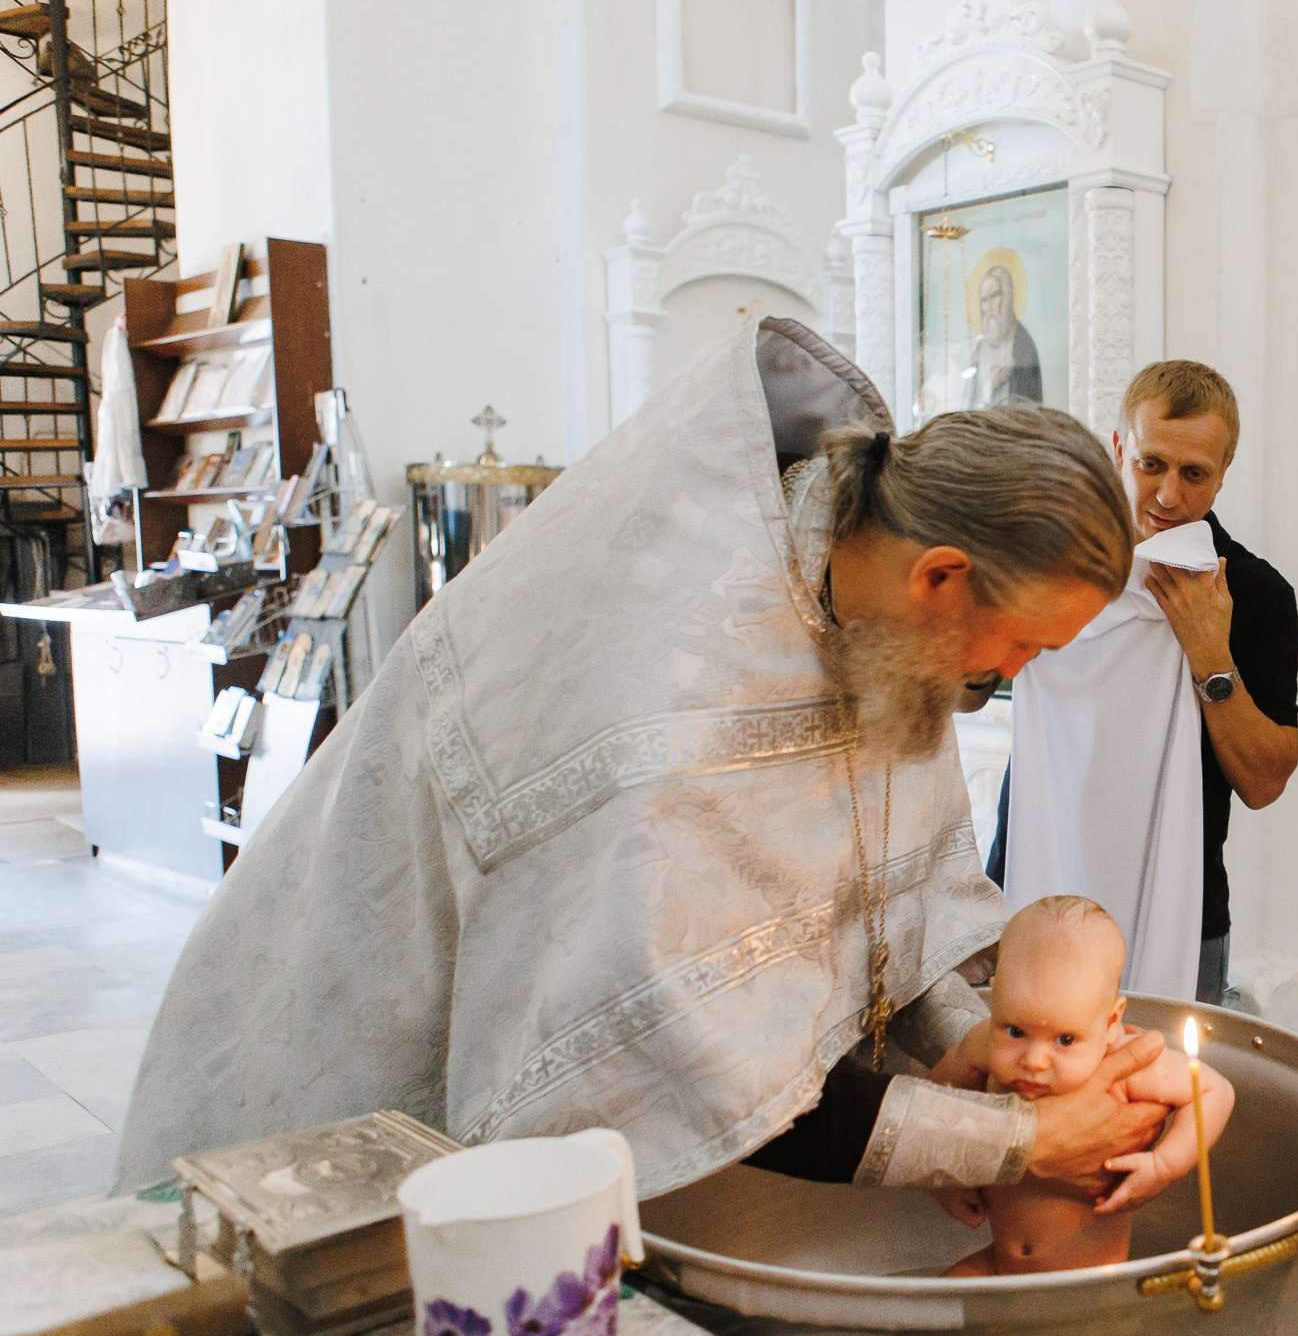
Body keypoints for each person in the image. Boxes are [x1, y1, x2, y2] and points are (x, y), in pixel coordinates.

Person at [117, 318, 1175, 1213]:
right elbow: (686, 1057)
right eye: (1023, 643)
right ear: (941, 576)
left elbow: (872, 901)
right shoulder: (679, 675)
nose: (1012, 673)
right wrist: (1020, 1143)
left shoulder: (883, 615)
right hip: (344, 1073)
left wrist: (982, 1044)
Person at [987, 361, 1298, 1006]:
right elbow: (968, 682)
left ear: (1225, 470)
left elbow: (1265, 783)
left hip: (1183, 913)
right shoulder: (1053, 561)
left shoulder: (1256, 594)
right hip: (1030, 880)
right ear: (1118, 448)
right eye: (1151, 465)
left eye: (1195, 474)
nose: (1167, 496)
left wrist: (1210, 654)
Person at [934, 895, 1235, 1276]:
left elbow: (1213, 1091)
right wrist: (942, 1177)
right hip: (998, 1263)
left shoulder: (1125, 1064)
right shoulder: (983, 1044)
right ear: (996, 999)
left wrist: (1164, 1165)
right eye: (1015, 1031)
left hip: (1089, 1277)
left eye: (1065, 1040)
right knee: (940, 1298)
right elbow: (937, 1089)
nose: (1034, 1060)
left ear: (1110, 1023)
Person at [972, 262, 1043, 407]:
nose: (989, 306)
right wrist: (990, 385)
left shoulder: (1022, 344)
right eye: (984, 299)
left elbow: (1028, 406)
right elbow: (967, 404)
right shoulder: (979, 347)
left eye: (994, 296)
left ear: (1007, 297)